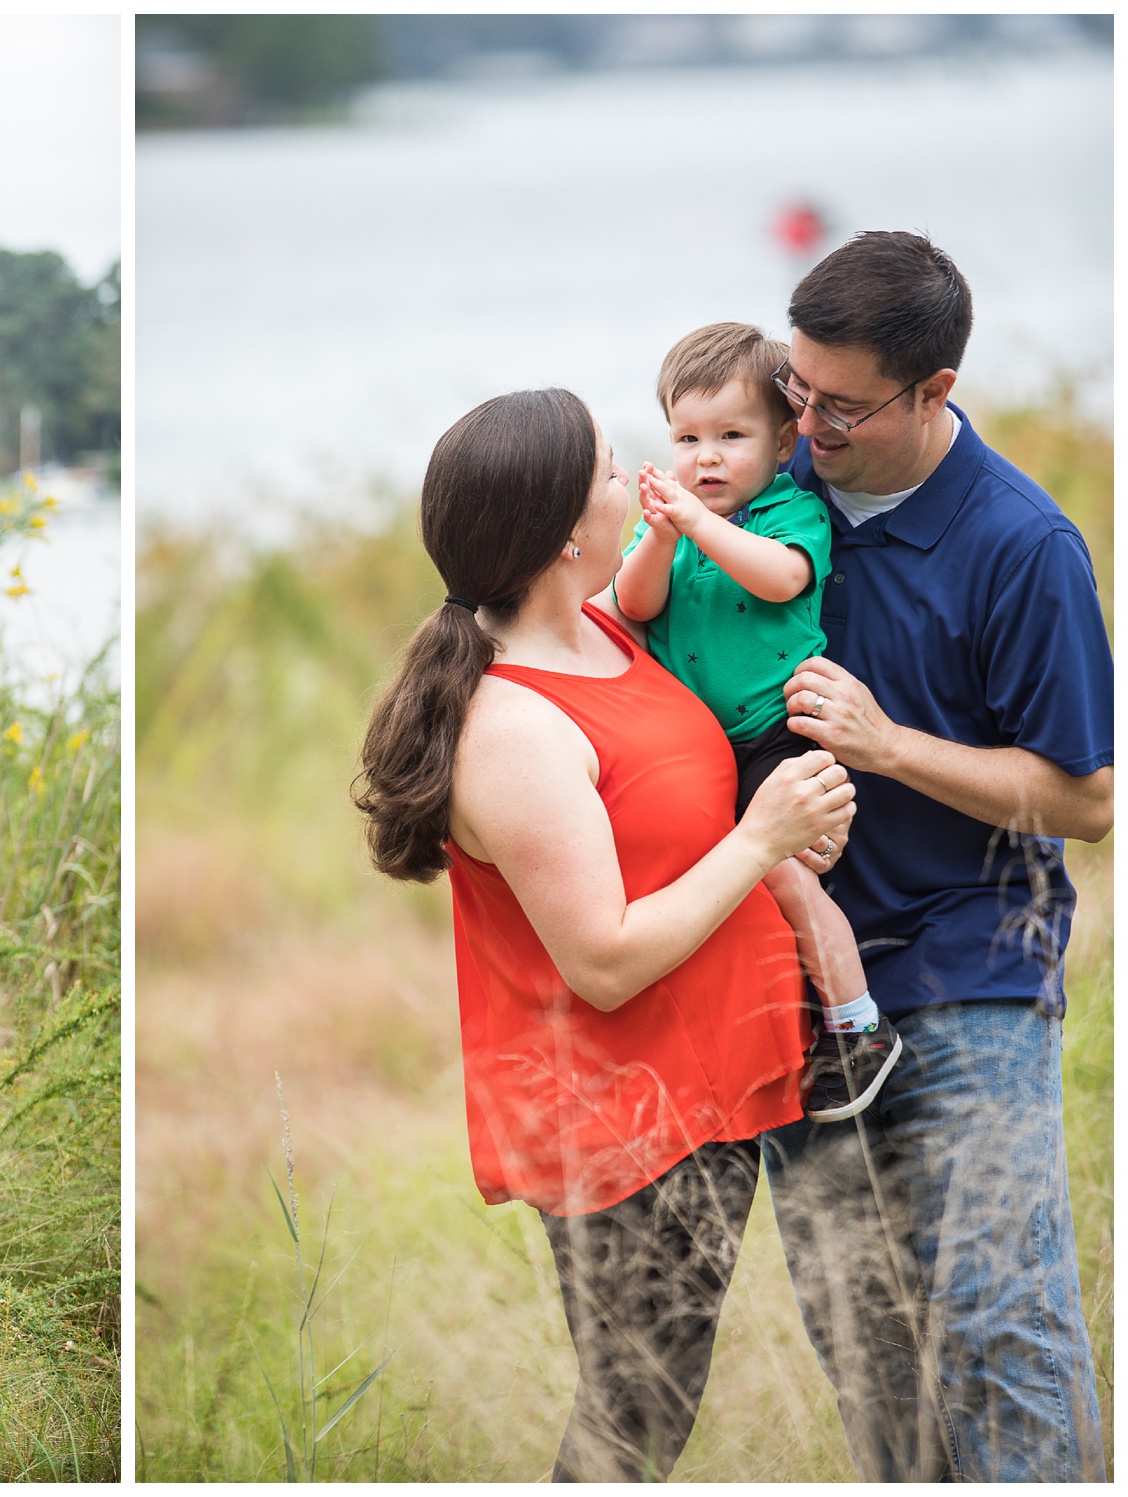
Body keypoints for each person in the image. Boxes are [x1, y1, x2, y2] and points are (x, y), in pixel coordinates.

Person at [355, 387, 856, 1480]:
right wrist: (761, 836)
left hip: (706, 1085)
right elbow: (604, 959)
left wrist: (791, 827)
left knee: (652, 1410)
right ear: (557, 530)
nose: (632, 477)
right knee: (634, 1423)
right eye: (605, 468)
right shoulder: (511, 727)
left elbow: (667, 823)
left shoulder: (599, 629)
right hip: (619, 1120)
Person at [759, 231, 1112, 1482]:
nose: (809, 423)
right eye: (797, 388)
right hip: (793, 993)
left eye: (841, 405)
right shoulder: (766, 487)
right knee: (863, 1345)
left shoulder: (1024, 548)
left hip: (971, 971)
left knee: (998, 1322)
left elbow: (1084, 799)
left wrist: (890, 745)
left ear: (934, 392)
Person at [614, 322, 900, 1121]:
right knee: (730, 887)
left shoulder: (789, 512)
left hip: (782, 728)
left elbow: (779, 581)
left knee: (780, 870)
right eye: (687, 437)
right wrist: (661, 536)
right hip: (705, 743)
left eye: (731, 436)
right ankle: (791, 1029)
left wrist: (701, 528)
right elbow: (636, 604)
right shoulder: (671, 526)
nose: (705, 458)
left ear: (781, 444)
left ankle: (858, 1022)